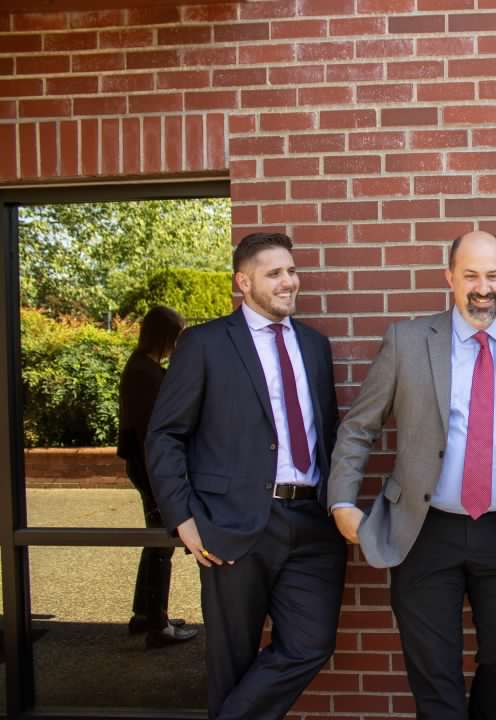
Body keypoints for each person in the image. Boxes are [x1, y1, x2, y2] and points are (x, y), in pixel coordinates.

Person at [327, 229, 496, 720]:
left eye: (493, 275)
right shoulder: (407, 341)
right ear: (450, 278)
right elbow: (358, 428)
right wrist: (341, 501)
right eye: (470, 276)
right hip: (423, 530)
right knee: (434, 675)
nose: (482, 287)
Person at [146, 233, 345, 720]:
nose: (289, 281)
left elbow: (329, 433)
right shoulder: (206, 343)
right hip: (231, 526)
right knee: (231, 662)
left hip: (311, 523)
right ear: (243, 281)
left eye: (292, 271)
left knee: (310, 644)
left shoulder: (316, 346)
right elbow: (165, 435)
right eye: (274, 273)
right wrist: (184, 520)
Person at [117, 304, 197, 649]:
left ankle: (145, 613)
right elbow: (155, 433)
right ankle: (157, 625)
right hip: (151, 469)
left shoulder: (141, 368)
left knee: (154, 540)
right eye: (176, 335)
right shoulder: (145, 374)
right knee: (162, 543)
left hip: (145, 466)